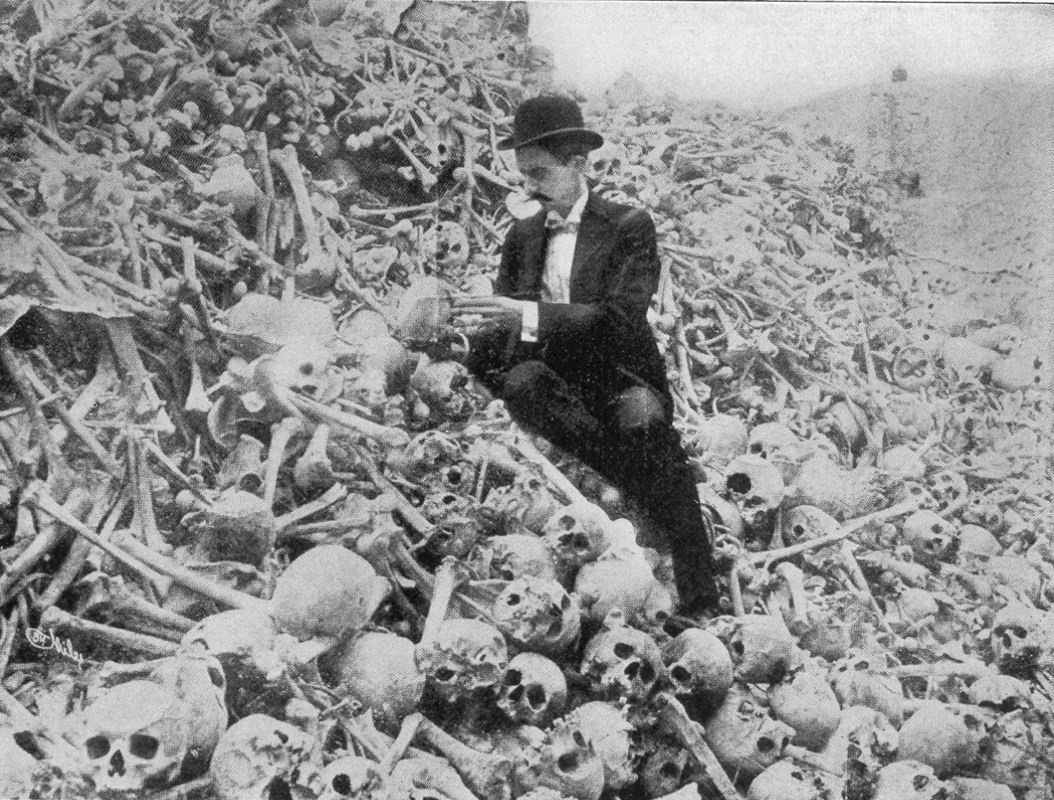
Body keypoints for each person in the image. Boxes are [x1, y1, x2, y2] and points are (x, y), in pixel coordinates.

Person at [451, 95, 718, 615]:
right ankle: (631, 481)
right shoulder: (522, 234)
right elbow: (507, 325)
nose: (528, 187)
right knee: (523, 382)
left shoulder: (628, 226)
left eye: (539, 173)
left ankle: (700, 591)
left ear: (577, 165)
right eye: (523, 174)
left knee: (649, 433)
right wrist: (460, 348)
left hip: (618, 375)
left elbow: (618, 320)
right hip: (555, 376)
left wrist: (523, 315)